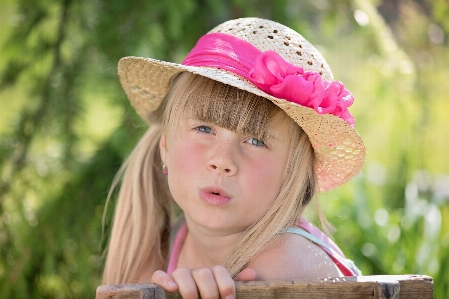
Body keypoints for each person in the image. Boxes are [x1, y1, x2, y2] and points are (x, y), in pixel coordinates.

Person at [102, 17, 366, 299]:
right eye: (204, 128)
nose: (222, 160)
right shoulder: (155, 256)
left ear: (292, 174)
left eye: (255, 140)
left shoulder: (287, 265)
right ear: (165, 147)